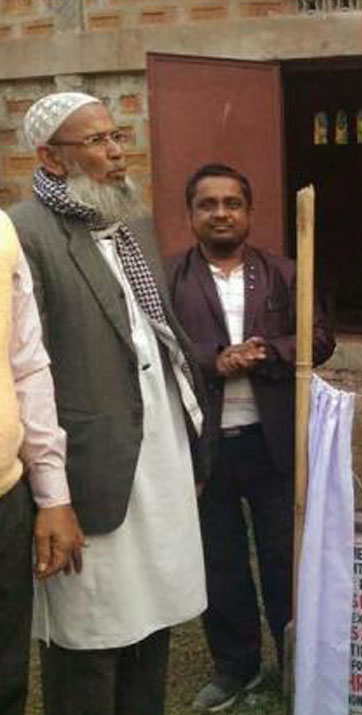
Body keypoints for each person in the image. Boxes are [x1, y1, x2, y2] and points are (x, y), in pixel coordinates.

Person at [10, 91, 208, 715]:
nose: (118, 152)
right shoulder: (24, 233)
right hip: (88, 466)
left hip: (158, 452)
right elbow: (28, 370)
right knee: (91, 633)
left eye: (118, 136)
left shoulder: (130, 220)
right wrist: (52, 495)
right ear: (50, 157)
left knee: (155, 617)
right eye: (97, 141)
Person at [167, 163, 335, 712]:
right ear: (191, 214)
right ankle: (235, 666)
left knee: (284, 556)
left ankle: (294, 664)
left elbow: (320, 337)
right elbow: (158, 347)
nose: (221, 213)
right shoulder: (169, 278)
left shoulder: (284, 272)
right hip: (205, 446)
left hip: (273, 443)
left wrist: (266, 352)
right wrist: (214, 360)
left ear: (249, 211)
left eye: (232, 203)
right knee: (219, 560)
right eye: (208, 204)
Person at [0, 207, 84, 715]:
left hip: (4, 496)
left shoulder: (2, 233)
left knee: (6, 679)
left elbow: (27, 366)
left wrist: (53, 495)